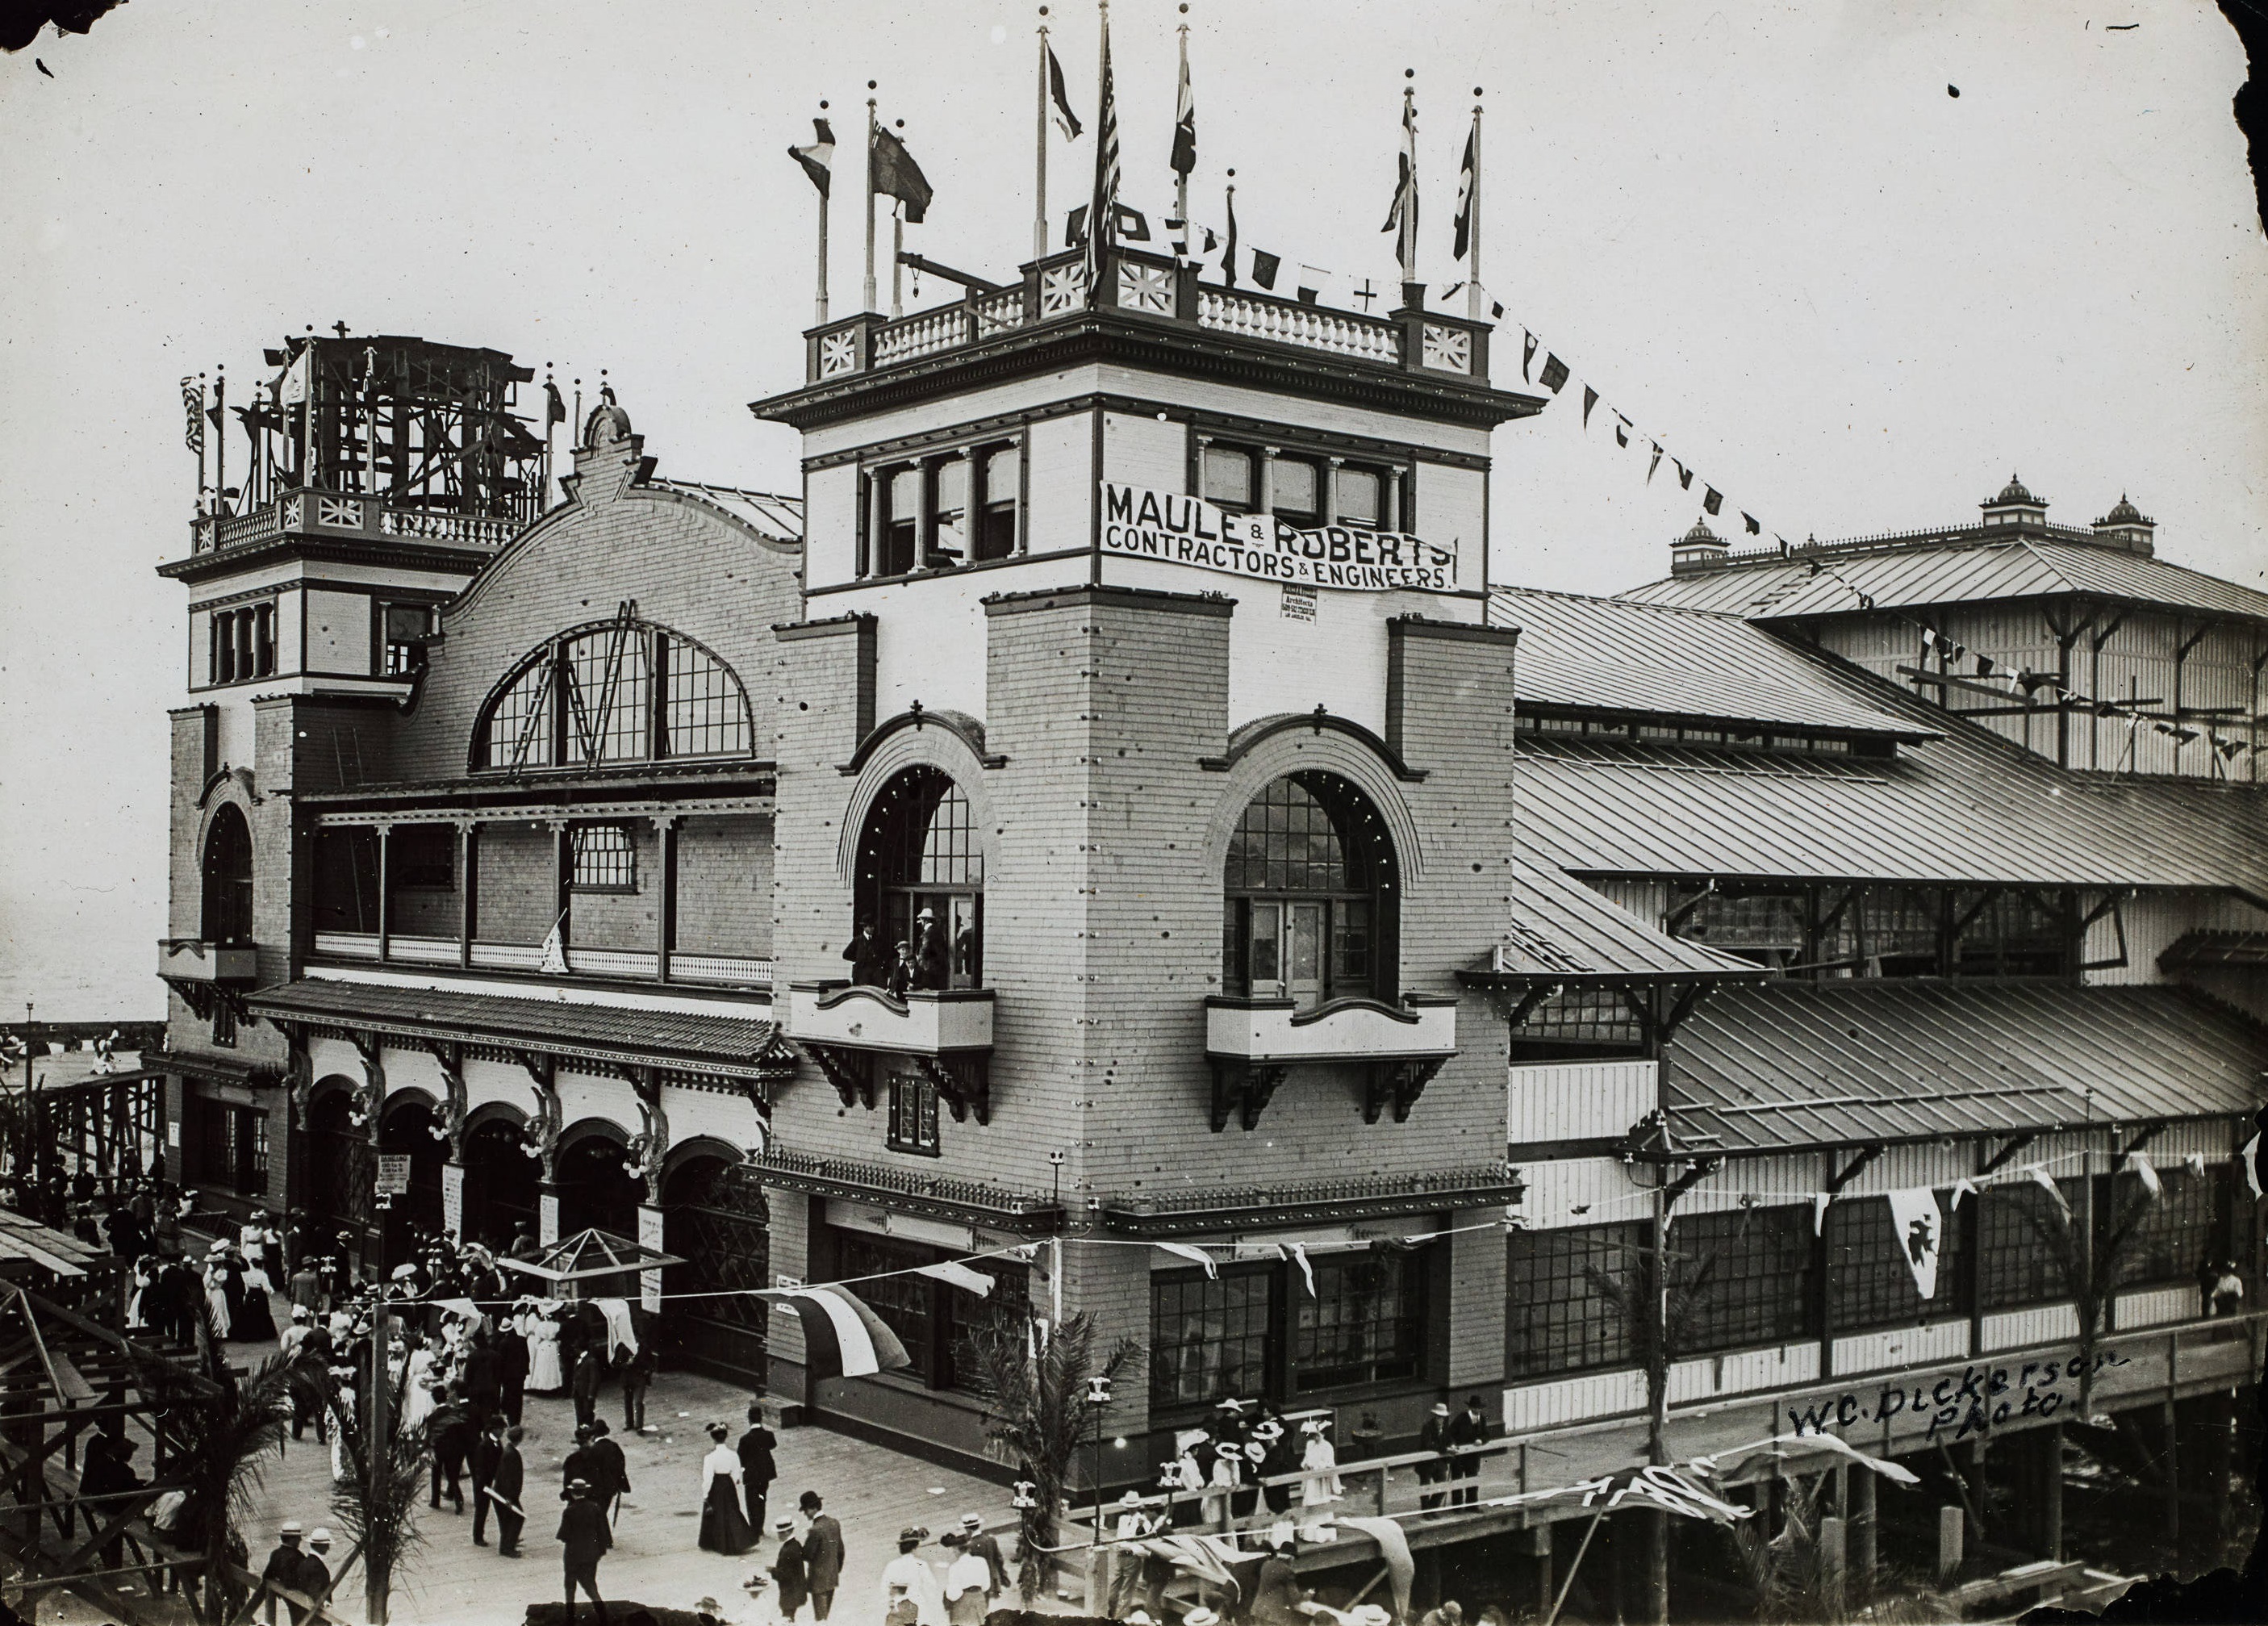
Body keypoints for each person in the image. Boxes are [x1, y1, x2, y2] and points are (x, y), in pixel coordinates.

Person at [558, 1478, 613, 1624]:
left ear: (572, 1493)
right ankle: (603, 1615)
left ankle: (570, 1618)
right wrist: (599, 1552)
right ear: (585, 1491)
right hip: (591, 1554)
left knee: (570, 1585)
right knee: (590, 1585)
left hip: (573, 1555)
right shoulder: (595, 1508)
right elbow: (602, 1532)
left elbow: (564, 1535)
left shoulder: (569, 1511)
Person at [699, 1423, 754, 1554]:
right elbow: (736, 1473)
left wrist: (706, 1494)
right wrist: (732, 1482)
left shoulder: (710, 1457)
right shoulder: (733, 1455)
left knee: (717, 1513)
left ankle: (716, 1543)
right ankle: (738, 1541)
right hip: (728, 1484)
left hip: (716, 1484)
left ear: (713, 1438)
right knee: (732, 1511)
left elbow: (708, 1478)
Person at [878, 1526, 942, 1625]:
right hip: (917, 1608)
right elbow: (931, 1587)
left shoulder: (892, 1565)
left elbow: (884, 1589)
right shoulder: (921, 1564)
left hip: (896, 1609)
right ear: (915, 1547)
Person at [800, 1490, 844, 1621]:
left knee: (820, 1618)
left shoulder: (815, 1530)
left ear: (812, 1509)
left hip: (818, 1580)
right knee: (825, 1615)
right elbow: (840, 1551)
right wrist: (836, 1569)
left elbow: (807, 1555)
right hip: (832, 1576)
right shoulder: (834, 1523)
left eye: (806, 1510)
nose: (805, 1514)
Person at [428, 1387, 473, 1514]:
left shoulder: (432, 1417)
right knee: (452, 1476)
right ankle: (459, 1501)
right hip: (454, 1448)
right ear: (446, 1397)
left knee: (436, 1474)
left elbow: (430, 1436)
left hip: (439, 1449)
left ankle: (435, 1501)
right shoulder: (455, 1413)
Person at [739, 1402, 779, 1536]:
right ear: (761, 1419)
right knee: (762, 1499)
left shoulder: (745, 1439)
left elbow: (741, 1457)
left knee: (751, 1501)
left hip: (751, 1475)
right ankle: (760, 1526)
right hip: (765, 1474)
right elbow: (773, 1445)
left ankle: (753, 1527)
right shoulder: (768, 1435)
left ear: (749, 1419)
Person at [489, 1424, 528, 1557]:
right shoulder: (512, 1454)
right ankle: (508, 1547)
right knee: (517, 1517)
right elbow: (507, 1478)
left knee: (507, 1520)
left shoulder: (508, 1451)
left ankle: (507, 1544)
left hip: (502, 1493)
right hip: (507, 1494)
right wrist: (510, 1497)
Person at [1250, 1535, 1305, 1626]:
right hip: (1273, 1616)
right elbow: (1295, 1598)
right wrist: (1307, 1595)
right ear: (1290, 1558)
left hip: (1258, 1610)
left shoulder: (1266, 1564)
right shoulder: (1287, 1571)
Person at [261, 1521, 310, 1626]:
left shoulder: (275, 1554)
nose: (300, 1540)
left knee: (297, 1620)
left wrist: (278, 1589)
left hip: (287, 1596)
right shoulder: (297, 1556)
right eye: (298, 1538)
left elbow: (267, 1576)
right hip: (300, 1596)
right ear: (292, 1539)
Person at [1446, 1394, 1490, 1507]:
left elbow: (1487, 1434)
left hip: (1473, 1456)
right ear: (1471, 1408)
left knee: (1473, 1480)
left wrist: (1481, 1440)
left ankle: (1472, 1505)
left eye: (1480, 1408)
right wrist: (1453, 1445)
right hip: (1459, 1456)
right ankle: (1457, 1506)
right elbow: (1450, 1433)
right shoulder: (1462, 1418)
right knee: (1457, 1480)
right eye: (1476, 1408)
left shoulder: (1482, 1419)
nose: (1478, 1410)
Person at [940, 1531, 991, 1626]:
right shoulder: (981, 1561)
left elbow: (954, 1594)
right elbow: (986, 1586)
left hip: (963, 1603)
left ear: (956, 1550)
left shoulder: (955, 1567)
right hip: (979, 1599)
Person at [470, 1413, 505, 1548]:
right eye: (501, 1429)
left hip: (494, 1482)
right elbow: (480, 1468)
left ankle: (505, 1533)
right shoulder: (484, 1446)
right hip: (484, 1484)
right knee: (482, 1510)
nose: (502, 1431)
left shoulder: (498, 1444)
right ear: (494, 1429)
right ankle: (478, 1536)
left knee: (500, 1510)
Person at [956, 1512, 1007, 1602]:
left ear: (968, 1529)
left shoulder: (970, 1546)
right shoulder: (991, 1539)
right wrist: (1002, 1575)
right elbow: (999, 1559)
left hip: (979, 1583)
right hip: (993, 1579)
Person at [589, 1418, 630, 1524]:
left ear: (594, 1435)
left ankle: (600, 1534)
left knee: (598, 1512)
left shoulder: (594, 1450)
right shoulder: (614, 1446)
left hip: (598, 1488)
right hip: (612, 1487)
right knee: (603, 1510)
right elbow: (621, 1464)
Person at [769, 1517, 810, 1622]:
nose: (778, 1535)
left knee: (787, 1618)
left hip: (789, 1593)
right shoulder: (796, 1544)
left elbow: (785, 1575)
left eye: (780, 1533)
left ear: (787, 1532)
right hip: (796, 1590)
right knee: (789, 1618)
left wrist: (772, 1570)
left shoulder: (788, 1550)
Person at [1416, 1402, 1452, 1511]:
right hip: (1426, 1463)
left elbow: (1450, 1440)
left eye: (1442, 1417)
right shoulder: (1427, 1427)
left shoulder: (1446, 1428)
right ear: (1435, 1416)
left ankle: (1433, 1508)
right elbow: (1428, 1445)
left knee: (1442, 1486)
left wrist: (1452, 1446)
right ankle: (1426, 1511)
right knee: (1425, 1488)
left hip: (1440, 1462)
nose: (1440, 1419)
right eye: (1438, 1417)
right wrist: (1445, 1449)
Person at [620, 1335, 655, 1434]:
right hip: (628, 1379)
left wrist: (648, 1371)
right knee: (628, 1401)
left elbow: (651, 1362)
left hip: (640, 1378)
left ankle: (639, 1426)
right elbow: (618, 1364)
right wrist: (627, 1363)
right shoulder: (624, 1349)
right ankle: (629, 1423)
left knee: (638, 1402)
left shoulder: (644, 1348)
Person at [298, 1529, 334, 1618]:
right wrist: (324, 1603)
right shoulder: (316, 1565)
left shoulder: (305, 1562)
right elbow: (314, 1589)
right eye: (326, 1545)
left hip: (307, 1610)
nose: (328, 1548)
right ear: (319, 1546)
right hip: (318, 1614)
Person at [911, 907, 948, 991]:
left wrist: (919, 967)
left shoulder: (927, 934)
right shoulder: (939, 932)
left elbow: (923, 951)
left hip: (929, 969)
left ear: (924, 920)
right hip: (940, 969)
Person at [843, 916, 887, 987]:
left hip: (875, 973)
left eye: (873, 926)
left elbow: (884, 954)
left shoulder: (878, 940)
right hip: (862, 973)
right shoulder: (858, 940)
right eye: (870, 927)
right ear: (864, 927)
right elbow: (845, 954)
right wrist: (858, 959)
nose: (872, 928)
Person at [570, 1342, 607, 1428]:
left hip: (586, 1393)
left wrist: (591, 1394)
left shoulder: (591, 1361)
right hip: (578, 1392)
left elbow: (594, 1379)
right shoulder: (577, 1360)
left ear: (579, 1349)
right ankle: (580, 1434)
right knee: (579, 1414)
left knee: (587, 1414)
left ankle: (588, 1433)